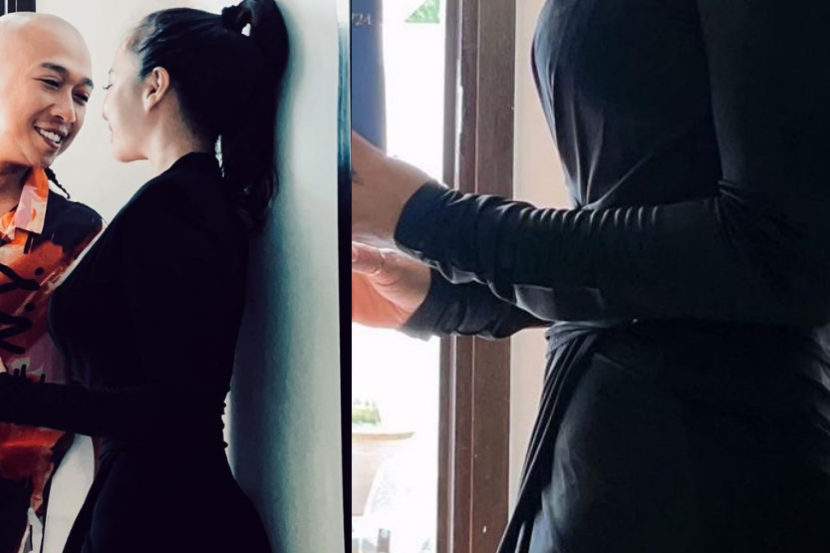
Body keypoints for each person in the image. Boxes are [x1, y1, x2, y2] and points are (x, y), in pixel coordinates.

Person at [352, 0, 830, 551]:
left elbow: (775, 251)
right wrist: (447, 293)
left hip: (708, 476)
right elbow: (651, 241)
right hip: (615, 458)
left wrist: (434, 222)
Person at [0, 1, 289, 552]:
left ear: (154, 86)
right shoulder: (187, 200)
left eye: (104, 85)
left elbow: (166, 407)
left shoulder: (177, 206)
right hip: (157, 508)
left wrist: (10, 397)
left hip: (159, 517)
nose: (95, 110)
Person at [0, 13, 103, 553]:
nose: (68, 112)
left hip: (20, 513)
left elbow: (101, 400)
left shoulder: (78, 237)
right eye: (50, 82)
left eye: (82, 96)